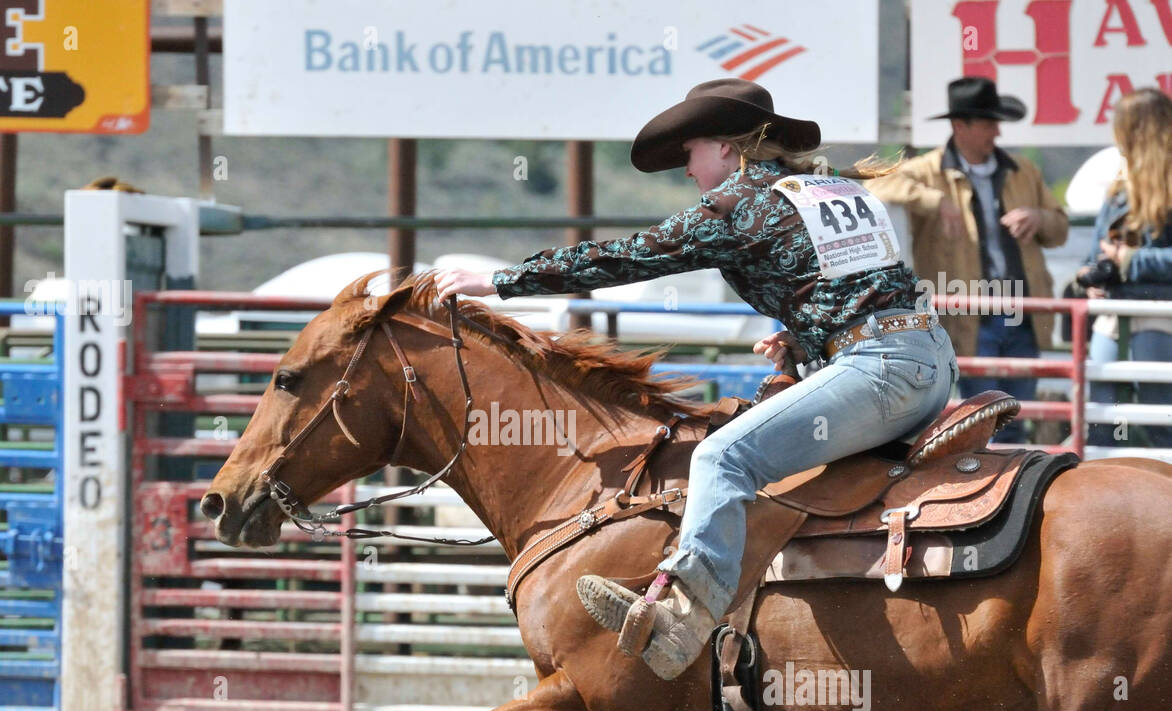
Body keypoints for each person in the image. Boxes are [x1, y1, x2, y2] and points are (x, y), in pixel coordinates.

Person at [434, 79, 958, 680]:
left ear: (729, 150)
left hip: (880, 369)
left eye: (690, 152)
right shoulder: (827, 187)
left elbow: (626, 256)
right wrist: (807, 335)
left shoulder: (740, 202)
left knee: (721, 460)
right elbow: (865, 285)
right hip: (924, 360)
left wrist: (501, 281)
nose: (686, 170)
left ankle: (685, 616)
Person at [866, 76, 1068, 444]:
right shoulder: (927, 171)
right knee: (983, 418)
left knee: (1016, 415)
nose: (997, 132)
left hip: (1019, 312)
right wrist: (934, 200)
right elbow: (876, 185)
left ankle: (1009, 490)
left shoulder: (1023, 170)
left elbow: (1060, 229)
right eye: (989, 123)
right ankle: (991, 489)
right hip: (970, 318)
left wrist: (1039, 218)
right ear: (961, 126)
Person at [1078, 88, 1172, 450]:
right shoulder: (1117, 187)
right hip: (1113, 317)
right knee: (1104, 421)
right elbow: (1094, 253)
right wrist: (1091, 277)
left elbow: (1125, 258)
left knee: (1162, 421)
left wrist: (1129, 262)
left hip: (1158, 318)